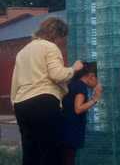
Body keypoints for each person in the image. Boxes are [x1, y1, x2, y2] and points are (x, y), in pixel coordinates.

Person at [11, 17, 83, 165]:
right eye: (63, 38)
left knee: (30, 151)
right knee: (51, 151)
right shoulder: (50, 47)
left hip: (21, 104)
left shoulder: (23, 52)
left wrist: (15, 103)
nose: (63, 42)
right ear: (57, 34)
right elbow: (57, 75)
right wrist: (74, 68)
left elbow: (15, 81)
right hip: (44, 102)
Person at [62, 62, 102, 165]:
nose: (98, 83)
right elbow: (78, 109)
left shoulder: (73, 84)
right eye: (98, 80)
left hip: (65, 127)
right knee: (69, 158)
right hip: (72, 129)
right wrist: (95, 99)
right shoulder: (81, 87)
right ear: (91, 76)